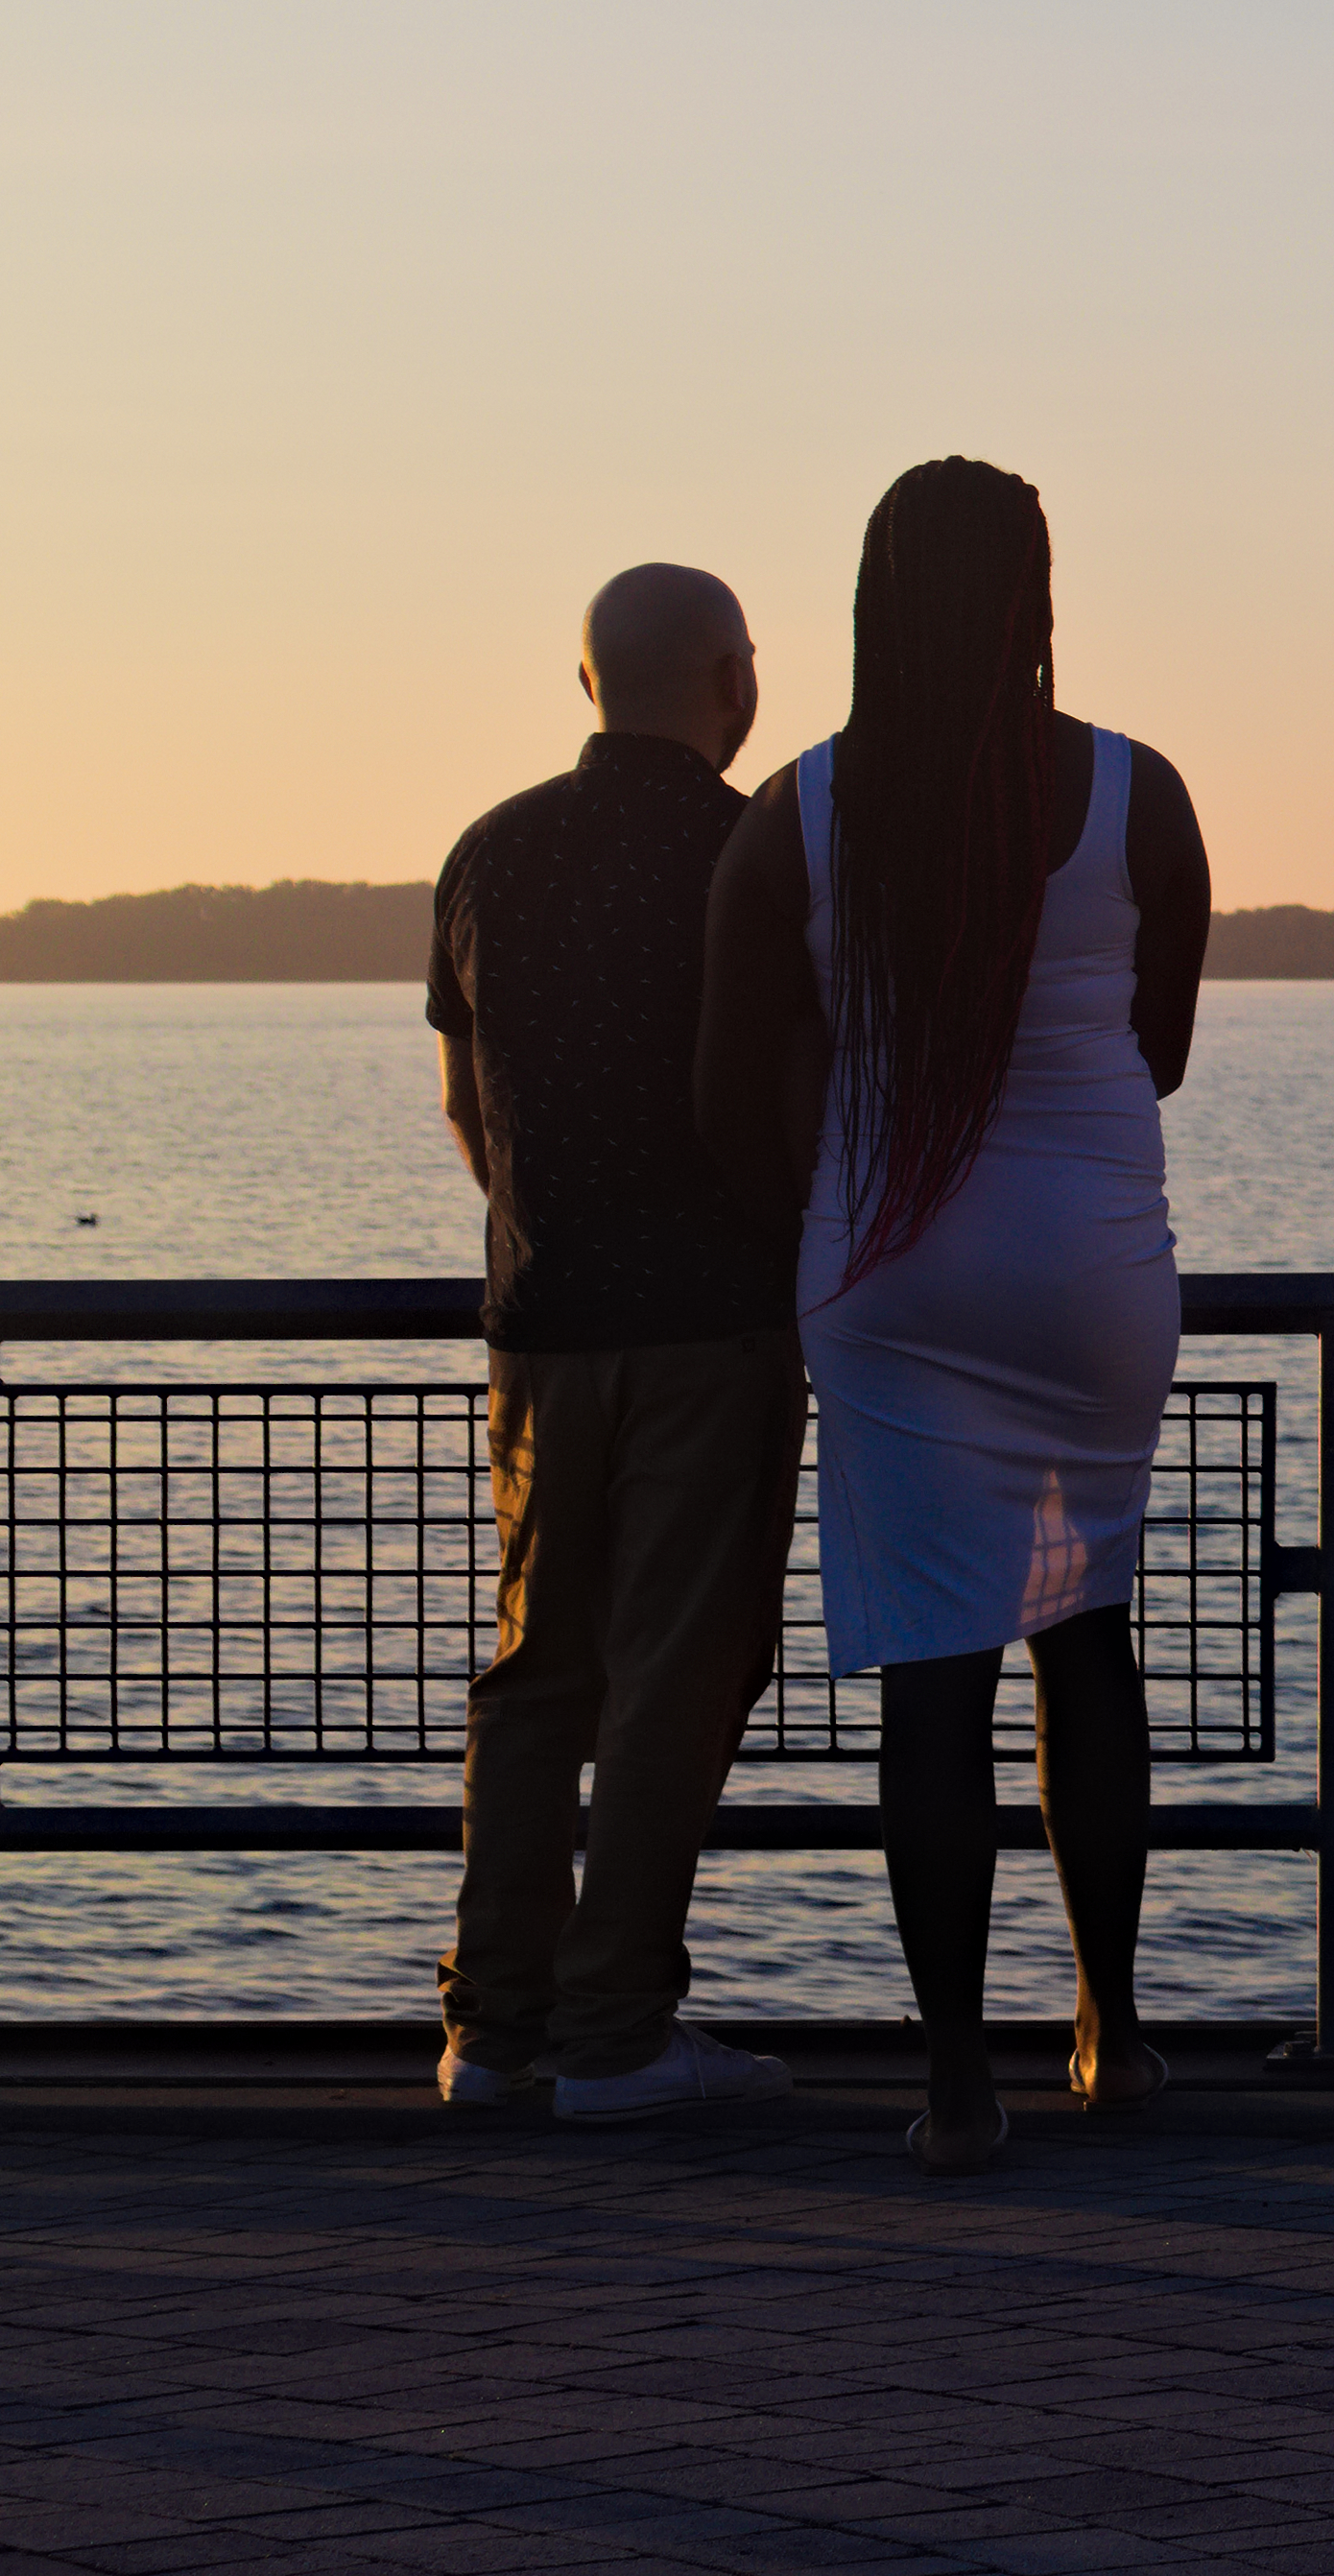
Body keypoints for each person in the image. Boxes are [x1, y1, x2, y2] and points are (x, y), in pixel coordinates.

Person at [699, 456, 1210, 2175]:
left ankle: (955, 2084)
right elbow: (1165, 1052)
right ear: (1037, 596)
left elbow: (728, 1092)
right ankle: (1114, 2033)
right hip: (1089, 1266)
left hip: (892, 1269)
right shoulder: (1141, 797)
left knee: (935, 1672)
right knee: (1088, 1638)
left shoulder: (798, 813)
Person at [427, 562, 803, 2120]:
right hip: (713, 1323)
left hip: (542, 1324)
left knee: (536, 1674)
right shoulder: (756, 852)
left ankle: (489, 2027)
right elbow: (808, 1093)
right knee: (678, 1672)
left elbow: (468, 1108)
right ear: (736, 680)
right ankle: (618, 2028)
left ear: (586, 682)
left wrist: (540, 1232)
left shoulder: (490, 852)